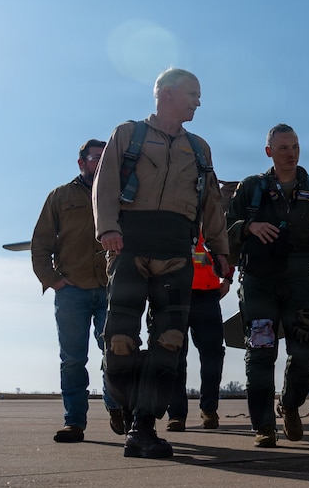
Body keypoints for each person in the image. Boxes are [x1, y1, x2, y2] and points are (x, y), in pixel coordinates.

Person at [92, 68, 230, 459]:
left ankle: (143, 426)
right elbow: (105, 184)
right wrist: (108, 229)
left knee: (169, 342)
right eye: (192, 94)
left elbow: (211, 202)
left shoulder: (199, 149)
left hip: (175, 253)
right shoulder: (128, 135)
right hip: (130, 248)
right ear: (167, 93)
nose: (198, 102)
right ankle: (123, 400)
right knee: (120, 340)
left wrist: (221, 251)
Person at [226, 124, 309, 448]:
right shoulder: (250, 188)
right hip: (258, 280)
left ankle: (290, 405)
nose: (291, 153)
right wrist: (249, 227)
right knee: (261, 352)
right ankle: (264, 427)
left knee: (306, 349)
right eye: (283, 148)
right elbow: (224, 231)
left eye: (295, 146)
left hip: (300, 278)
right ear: (269, 152)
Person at [31, 139, 125, 442]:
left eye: (105, 157)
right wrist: (52, 279)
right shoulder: (60, 196)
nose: (100, 162)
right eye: (95, 157)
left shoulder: (121, 195)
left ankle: (116, 406)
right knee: (72, 359)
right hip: (72, 290)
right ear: (81, 162)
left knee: (115, 352)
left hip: (111, 288)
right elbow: (40, 243)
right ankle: (74, 422)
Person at [166, 232, 230, 431]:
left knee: (213, 355)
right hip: (173, 293)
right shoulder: (170, 217)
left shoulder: (211, 220)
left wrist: (228, 277)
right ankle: (176, 415)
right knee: (175, 356)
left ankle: (209, 410)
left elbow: (226, 244)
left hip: (207, 294)